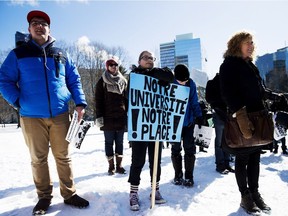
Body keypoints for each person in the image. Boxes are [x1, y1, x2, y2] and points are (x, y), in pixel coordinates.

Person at [0, 10, 89, 215]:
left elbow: (74, 80)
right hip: (31, 116)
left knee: (63, 156)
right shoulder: (18, 54)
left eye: (43, 23)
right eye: (34, 23)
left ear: (49, 28)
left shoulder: (61, 53)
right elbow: (4, 80)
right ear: (29, 29)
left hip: (60, 114)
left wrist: (80, 103)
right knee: (38, 158)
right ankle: (43, 197)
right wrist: (18, 101)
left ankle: (69, 194)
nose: (39, 26)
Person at [219, 31, 272, 215]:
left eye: (252, 43)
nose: (250, 46)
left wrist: (273, 96)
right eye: (246, 42)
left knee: (255, 157)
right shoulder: (229, 65)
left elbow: (260, 90)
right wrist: (239, 113)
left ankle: (255, 193)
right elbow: (227, 91)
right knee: (242, 158)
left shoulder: (251, 65)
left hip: (257, 116)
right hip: (241, 117)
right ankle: (245, 196)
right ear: (236, 44)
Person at [127, 51, 174, 211]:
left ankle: (156, 189)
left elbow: (171, 77)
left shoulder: (160, 74)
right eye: (145, 57)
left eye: (152, 58)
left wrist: (155, 74)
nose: (149, 60)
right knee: (138, 161)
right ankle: (133, 192)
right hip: (140, 125)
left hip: (156, 126)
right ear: (139, 61)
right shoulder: (134, 76)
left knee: (156, 160)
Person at [170, 64, 203, 187]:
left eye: (185, 80)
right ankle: (178, 175)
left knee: (190, 149)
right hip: (174, 124)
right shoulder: (170, 83)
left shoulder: (191, 84)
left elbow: (194, 102)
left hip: (188, 122)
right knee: (175, 149)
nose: (183, 83)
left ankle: (189, 176)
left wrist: (199, 116)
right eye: (181, 81)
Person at [95, 56, 128, 175]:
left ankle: (119, 165)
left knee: (120, 142)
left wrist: (128, 115)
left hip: (120, 116)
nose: (114, 67)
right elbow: (98, 100)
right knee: (108, 142)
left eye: (115, 65)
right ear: (107, 67)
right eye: (111, 65)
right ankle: (111, 166)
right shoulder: (102, 81)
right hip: (107, 117)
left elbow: (126, 99)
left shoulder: (123, 81)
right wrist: (99, 116)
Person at [205, 74, 234, 174]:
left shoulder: (227, 83)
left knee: (226, 140)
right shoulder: (213, 83)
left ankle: (226, 163)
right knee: (220, 141)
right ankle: (221, 164)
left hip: (225, 114)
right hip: (219, 113)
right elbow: (208, 98)